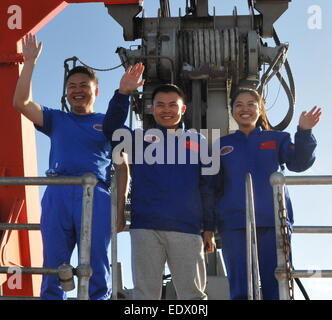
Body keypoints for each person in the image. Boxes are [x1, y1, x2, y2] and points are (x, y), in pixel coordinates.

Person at [12, 34, 128, 300]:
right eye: (72, 85)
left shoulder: (109, 123)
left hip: (96, 195)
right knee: (54, 265)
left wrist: (119, 210)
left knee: (97, 264)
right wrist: (29, 62)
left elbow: (123, 168)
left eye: (84, 85)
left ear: (96, 91)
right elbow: (21, 103)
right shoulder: (56, 118)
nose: (77, 90)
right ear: (66, 92)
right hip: (58, 192)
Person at [103, 63, 216, 300]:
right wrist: (122, 93)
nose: (167, 110)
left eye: (172, 105)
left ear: (183, 109)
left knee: (193, 297)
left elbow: (207, 186)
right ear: (151, 109)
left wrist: (209, 228)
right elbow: (111, 129)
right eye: (160, 105)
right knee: (144, 296)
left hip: (187, 228)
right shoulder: (138, 139)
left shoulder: (199, 141)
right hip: (146, 227)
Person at [211, 87, 321, 300]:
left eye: (251, 104)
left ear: (260, 109)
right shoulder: (221, 145)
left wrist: (305, 133)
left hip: (273, 222)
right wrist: (209, 224)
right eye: (239, 105)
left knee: (275, 285)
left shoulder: (278, 139)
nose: (245, 109)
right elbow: (212, 186)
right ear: (231, 110)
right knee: (241, 288)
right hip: (234, 225)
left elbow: (299, 163)